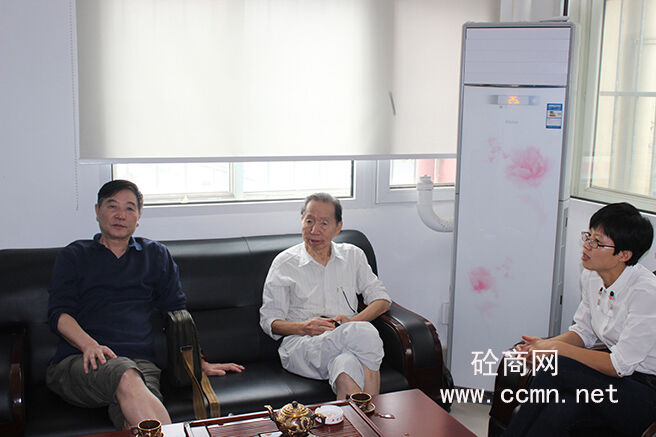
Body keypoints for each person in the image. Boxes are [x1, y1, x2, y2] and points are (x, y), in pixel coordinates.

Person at [46, 180, 244, 430]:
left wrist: (197, 362)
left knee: (137, 423)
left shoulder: (155, 255)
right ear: (97, 211)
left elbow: (177, 313)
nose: (121, 215)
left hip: (140, 364)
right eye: (112, 206)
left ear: (138, 217)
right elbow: (59, 314)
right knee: (125, 375)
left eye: (130, 208)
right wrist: (90, 345)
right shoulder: (75, 255)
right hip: (81, 361)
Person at [503, 202, 656, 436]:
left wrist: (555, 349)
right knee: (561, 411)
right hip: (610, 382)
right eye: (588, 236)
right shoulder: (592, 276)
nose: (587, 245)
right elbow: (583, 331)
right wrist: (542, 346)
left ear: (624, 255)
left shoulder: (646, 293)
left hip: (644, 392)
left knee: (556, 365)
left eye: (597, 242)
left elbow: (620, 365)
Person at [259, 192, 391, 399]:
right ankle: (376, 411)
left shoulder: (353, 255)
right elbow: (269, 321)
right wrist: (304, 327)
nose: (314, 230)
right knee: (366, 333)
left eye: (324, 223)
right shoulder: (285, 263)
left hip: (347, 342)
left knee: (346, 367)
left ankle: (358, 419)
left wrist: (352, 322)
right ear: (301, 221)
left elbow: (381, 300)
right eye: (309, 221)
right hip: (302, 346)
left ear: (338, 227)